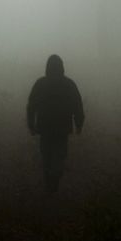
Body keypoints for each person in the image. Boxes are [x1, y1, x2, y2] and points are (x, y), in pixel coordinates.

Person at [26, 54, 85, 192]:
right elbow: (78, 105)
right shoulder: (69, 84)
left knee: (46, 157)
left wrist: (31, 125)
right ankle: (54, 184)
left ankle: (49, 188)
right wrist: (79, 124)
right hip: (62, 130)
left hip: (45, 129)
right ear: (62, 67)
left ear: (47, 67)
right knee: (59, 156)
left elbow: (31, 106)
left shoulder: (40, 83)